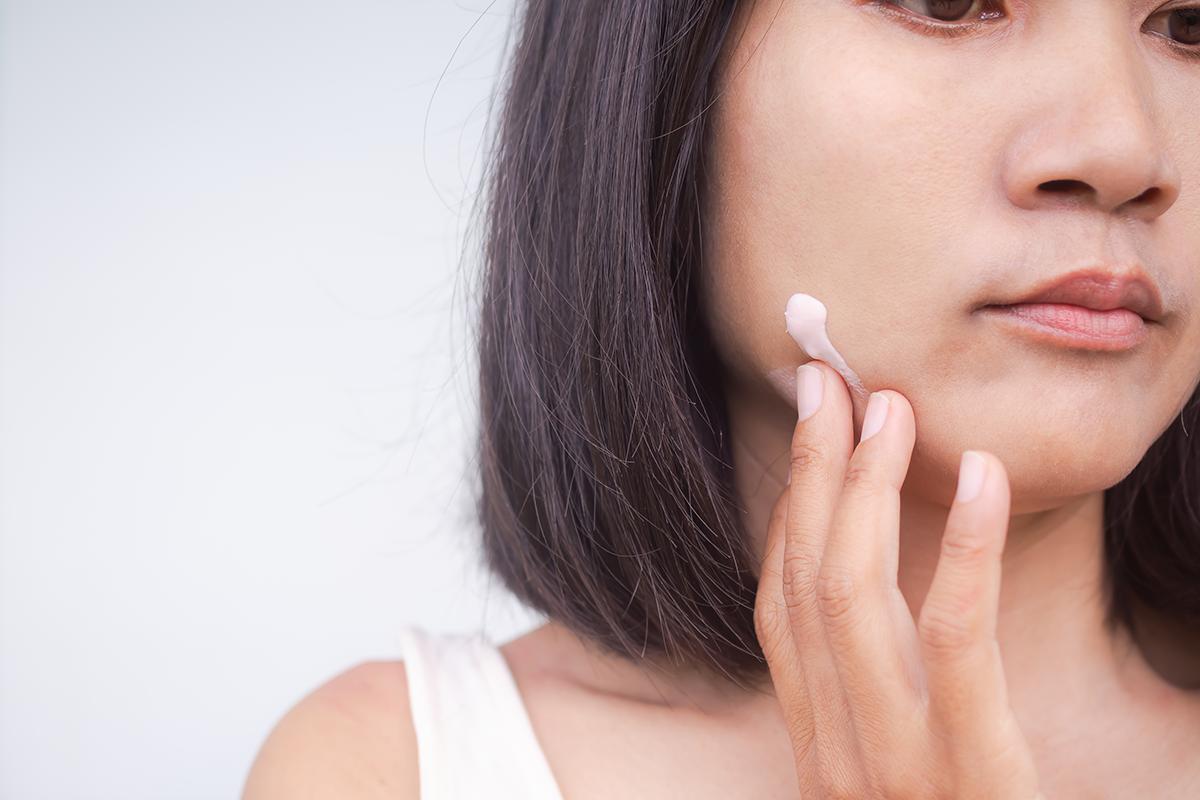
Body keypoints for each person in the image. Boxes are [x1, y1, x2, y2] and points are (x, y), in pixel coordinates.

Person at [242, 0, 1200, 796]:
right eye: (948, 3)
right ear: (663, 79)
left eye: (1190, 26)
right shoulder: (389, 769)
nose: (1124, 149)